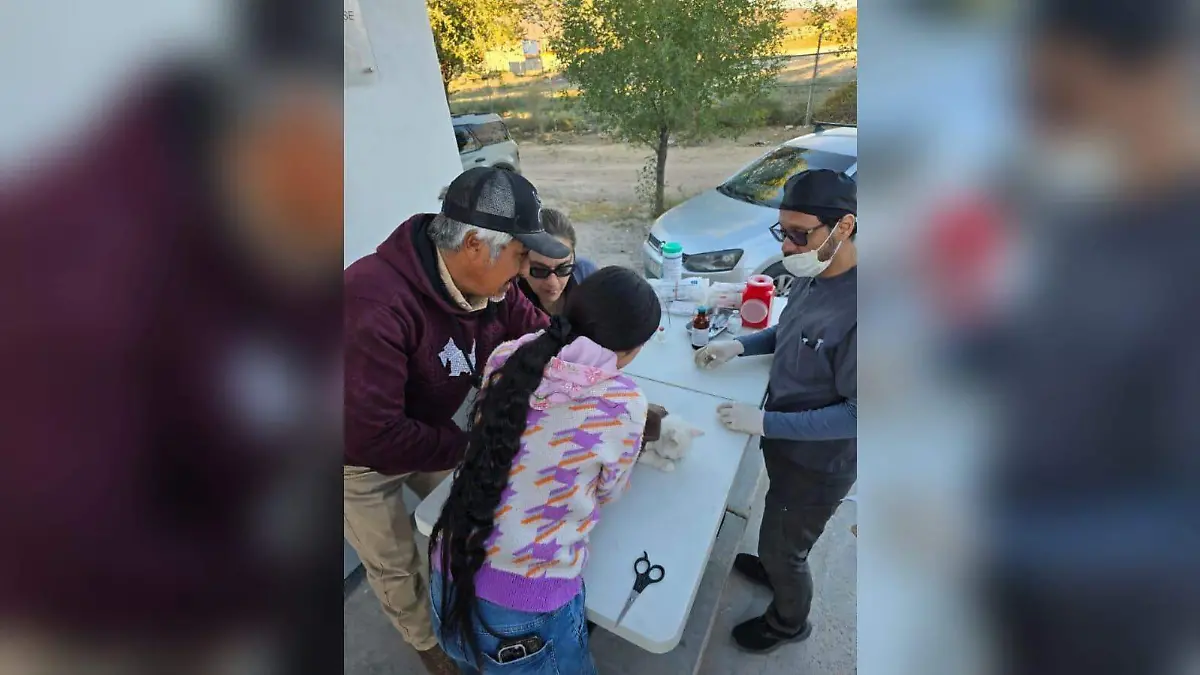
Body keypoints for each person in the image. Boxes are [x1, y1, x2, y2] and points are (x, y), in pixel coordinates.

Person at [344, 167, 568, 674]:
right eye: (520, 253)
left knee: (477, 515)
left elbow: (540, 338)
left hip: (427, 429)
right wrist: (472, 445)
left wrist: (599, 385)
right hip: (355, 454)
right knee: (395, 564)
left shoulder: (492, 282)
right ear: (472, 244)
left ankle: (474, 604)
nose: (528, 266)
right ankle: (429, 647)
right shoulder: (370, 304)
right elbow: (374, 435)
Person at [429, 266, 661, 674]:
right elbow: (608, 493)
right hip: (524, 606)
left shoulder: (507, 354)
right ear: (632, 349)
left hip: (446, 568)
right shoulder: (624, 402)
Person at [694, 169, 857, 653]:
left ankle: (789, 621)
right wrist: (739, 347)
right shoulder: (814, 270)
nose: (787, 246)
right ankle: (773, 558)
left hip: (820, 463)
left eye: (798, 233)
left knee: (788, 550)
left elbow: (858, 414)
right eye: (782, 231)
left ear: (844, 227)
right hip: (787, 446)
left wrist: (762, 421)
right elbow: (790, 334)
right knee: (778, 522)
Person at [515, 207, 597, 315]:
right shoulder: (505, 296)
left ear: (573, 257)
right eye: (540, 270)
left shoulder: (587, 276)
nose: (552, 283)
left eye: (563, 269)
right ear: (522, 260)